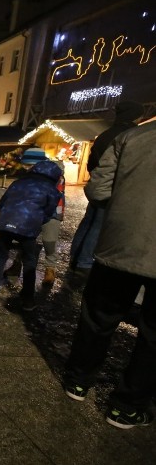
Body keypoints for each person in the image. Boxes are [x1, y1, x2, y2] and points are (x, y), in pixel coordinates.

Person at [62, 115, 156, 429]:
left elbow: (98, 189)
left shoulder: (132, 137)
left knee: (99, 316)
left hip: (121, 243)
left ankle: (77, 381)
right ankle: (126, 407)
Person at [69, 101, 144, 273]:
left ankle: (76, 255)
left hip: (97, 184)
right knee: (99, 225)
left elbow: (91, 161)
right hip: (112, 187)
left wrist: (95, 177)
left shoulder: (105, 134)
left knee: (88, 222)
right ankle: (85, 261)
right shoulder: (131, 135)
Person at [0, 159, 62, 309]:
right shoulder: (52, 190)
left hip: (5, 223)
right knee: (29, 261)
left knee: (1, 256)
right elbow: (49, 212)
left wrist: (6, 217)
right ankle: (27, 300)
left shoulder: (19, 183)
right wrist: (37, 221)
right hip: (28, 227)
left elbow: (1, 203)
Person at [4, 148, 66, 286]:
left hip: (53, 210)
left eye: (29, 165)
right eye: (25, 165)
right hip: (32, 210)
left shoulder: (55, 174)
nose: (27, 168)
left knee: (49, 240)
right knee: (26, 239)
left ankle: (50, 269)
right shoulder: (30, 173)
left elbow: (55, 195)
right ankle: (17, 265)